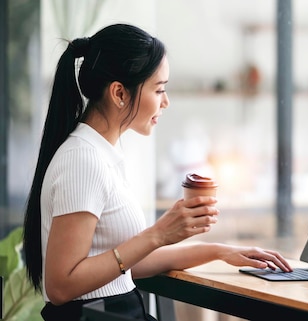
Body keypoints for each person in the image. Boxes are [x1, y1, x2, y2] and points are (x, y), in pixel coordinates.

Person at [22, 23, 292, 321]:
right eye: (159, 88)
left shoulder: (100, 154)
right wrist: (157, 234)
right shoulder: (83, 160)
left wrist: (218, 251)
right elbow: (61, 286)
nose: (166, 101)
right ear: (119, 93)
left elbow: (127, 263)